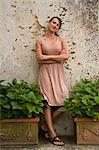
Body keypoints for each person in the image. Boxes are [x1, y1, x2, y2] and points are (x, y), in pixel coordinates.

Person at [36, 16, 69, 146]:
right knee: (47, 102)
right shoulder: (40, 40)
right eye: (53, 22)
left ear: (58, 28)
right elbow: (39, 59)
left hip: (58, 73)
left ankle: (44, 126)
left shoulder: (61, 40)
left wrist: (47, 56)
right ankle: (52, 134)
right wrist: (57, 58)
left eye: (57, 24)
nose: (55, 25)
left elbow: (65, 57)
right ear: (49, 23)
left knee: (66, 102)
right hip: (45, 73)